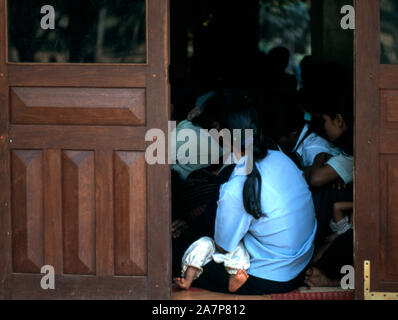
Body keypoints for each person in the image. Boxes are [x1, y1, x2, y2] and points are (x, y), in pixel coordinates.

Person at [175, 99, 317, 295]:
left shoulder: (234, 187)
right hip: (302, 262)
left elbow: (223, 247)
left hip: (271, 278)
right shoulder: (282, 159)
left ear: (222, 137)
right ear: (259, 130)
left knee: (177, 254)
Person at [304, 94, 354, 287]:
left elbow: (315, 178)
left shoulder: (350, 154)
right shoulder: (341, 150)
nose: (323, 128)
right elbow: (308, 173)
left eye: (325, 121)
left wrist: (319, 158)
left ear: (339, 120)